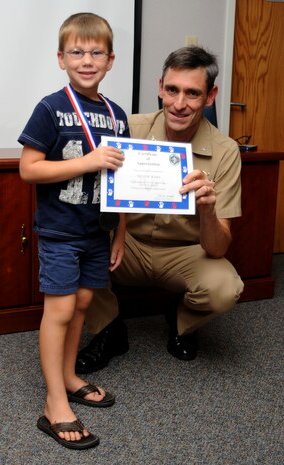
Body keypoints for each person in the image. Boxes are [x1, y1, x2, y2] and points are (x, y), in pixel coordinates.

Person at [76, 45, 244, 374]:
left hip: (185, 251)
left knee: (226, 288)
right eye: (172, 90)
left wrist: (208, 209)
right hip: (128, 244)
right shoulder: (126, 129)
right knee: (74, 248)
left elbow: (218, 247)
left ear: (210, 97)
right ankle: (109, 329)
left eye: (193, 93)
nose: (179, 104)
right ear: (160, 88)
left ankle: (181, 323)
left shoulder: (226, 152)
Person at [18, 12, 129, 450]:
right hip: (61, 230)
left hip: (96, 231)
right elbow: (29, 169)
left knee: (83, 303)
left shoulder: (116, 114)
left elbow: (120, 183)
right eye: (77, 52)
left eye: (96, 52)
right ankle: (54, 402)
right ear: (61, 58)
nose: (87, 60)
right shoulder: (50, 107)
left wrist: (119, 233)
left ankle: (66, 375)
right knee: (60, 310)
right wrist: (87, 161)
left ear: (111, 59)